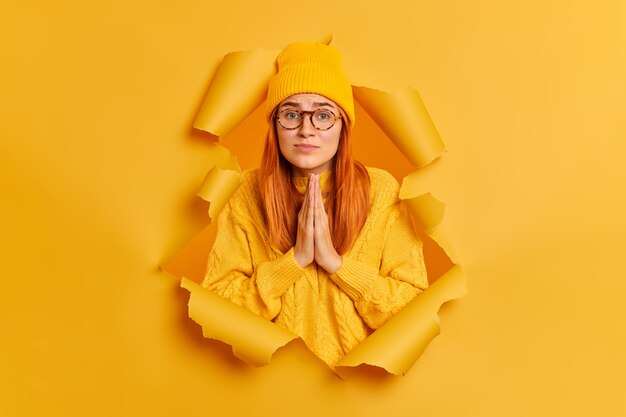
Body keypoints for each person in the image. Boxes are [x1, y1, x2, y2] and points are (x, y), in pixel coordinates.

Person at [202, 42, 428, 366]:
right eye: (291, 114)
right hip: (268, 393)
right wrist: (292, 263)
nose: (306, 130)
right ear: (274, 126)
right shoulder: (245, 194)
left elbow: (416, 311)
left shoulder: (381, 192)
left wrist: (337, 266)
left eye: (323, 115)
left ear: (343, 127)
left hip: (361, 394)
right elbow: (216, 310)